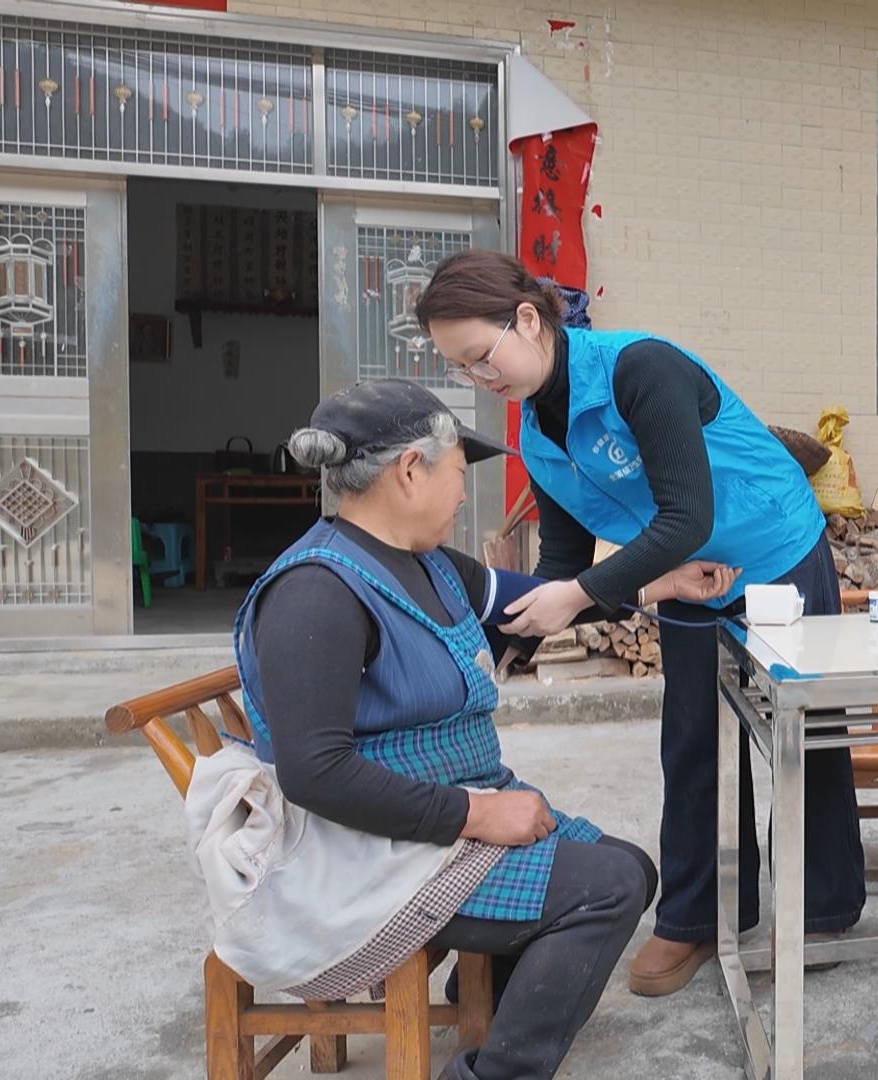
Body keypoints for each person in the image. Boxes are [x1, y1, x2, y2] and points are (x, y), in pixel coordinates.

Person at [230, 379, 731, 1080]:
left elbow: (535, 607)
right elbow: (316, 774)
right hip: (365, 854)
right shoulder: (316, 594)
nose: (466, 495)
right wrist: (478, 812)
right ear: (410, 469)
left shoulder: (427, 562)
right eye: (459, 474)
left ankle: (485, 998)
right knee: (607, 886)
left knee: (630, 867)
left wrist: (660, 585)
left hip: (427, 829)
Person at [415, 250, 865, 998]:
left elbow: (690, 515)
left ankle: (824, 904)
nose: (479, 378)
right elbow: (562, 562)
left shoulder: (638, 371)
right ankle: (698, 916)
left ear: (526, 320)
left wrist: (582, 594)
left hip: (774, 547)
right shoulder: (538, 434)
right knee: (691, 738)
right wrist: (505, 636)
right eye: (462, 369)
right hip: (686, 573)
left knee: (801, 734)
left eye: (480, 356)